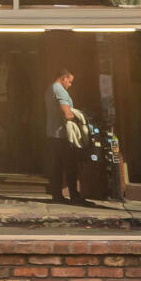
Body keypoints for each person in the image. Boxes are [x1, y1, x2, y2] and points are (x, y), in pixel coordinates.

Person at [44, 66, 84, 204]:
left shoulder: (50, 89)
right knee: (70, 166)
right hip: (63, 135)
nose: (70, 85)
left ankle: (57, 196)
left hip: (52, 134)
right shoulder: (60, 90)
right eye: (70, 81)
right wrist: (78, 116)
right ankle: (74, 196)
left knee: (57, 167)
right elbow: (67, 114)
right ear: (63, 78)